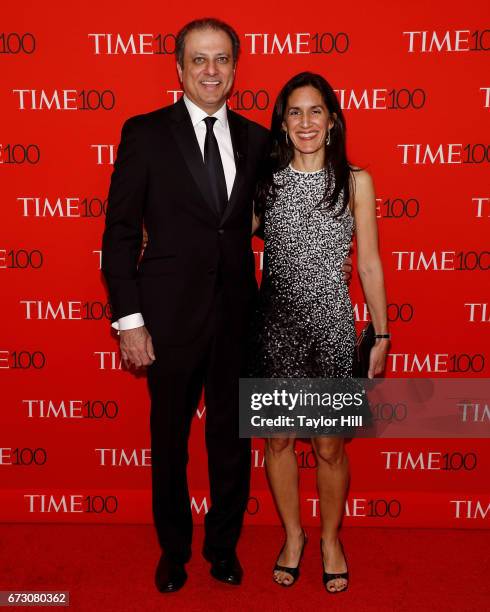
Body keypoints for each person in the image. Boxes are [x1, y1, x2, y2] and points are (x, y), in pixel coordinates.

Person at [102, 19, 352, 593]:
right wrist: (129, 320)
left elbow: (289, 215)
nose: (211, 70)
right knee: (168, 441)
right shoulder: (144, 133)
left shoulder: (257, 139)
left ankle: (222, 548)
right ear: (180, 68)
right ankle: (173, 550)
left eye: (221, 60)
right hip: (165, 320)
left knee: (232, 444)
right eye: (199, 60)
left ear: (236, 68)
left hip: (243, 320)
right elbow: (119, 233)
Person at [251, 72, 389, 593]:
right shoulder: (264, 180)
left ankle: (330, 538)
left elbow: (370, 264)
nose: (305, 122)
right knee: (279, 441)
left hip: (332, 330)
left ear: (332, 120)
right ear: (282, 123)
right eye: (294, 112)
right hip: (275, 330)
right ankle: (293, 536)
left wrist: (381, 334)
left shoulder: (356, 180)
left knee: (330, 447)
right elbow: (220, 232)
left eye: (315, 112)